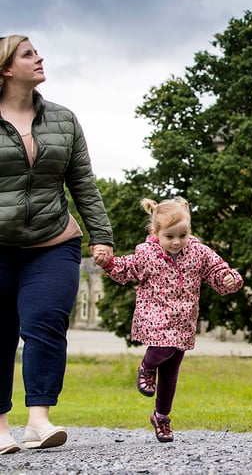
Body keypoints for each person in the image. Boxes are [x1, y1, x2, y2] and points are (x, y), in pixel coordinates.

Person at [0, 35, 114, 454]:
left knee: (46, 322)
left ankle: (38, 422)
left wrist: (101, 236)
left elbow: (82, 183)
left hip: (53, 240)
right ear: (6, 69)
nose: (39, 57)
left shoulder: (63, 120)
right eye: (28, 54)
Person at [94, 197, 243, 443]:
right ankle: (146, 367)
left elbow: (217, 270)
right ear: (156, 233)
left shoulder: (198, 252)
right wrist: (107, 262)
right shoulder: (147, 254)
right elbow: (125, 268)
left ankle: (161, 416)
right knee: (163, 346)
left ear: (189, 232)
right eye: (170, 237)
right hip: (156, 317)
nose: (177, 242)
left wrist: (230, 278)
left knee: (171, 372)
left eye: (182, 235)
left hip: (184, 320)